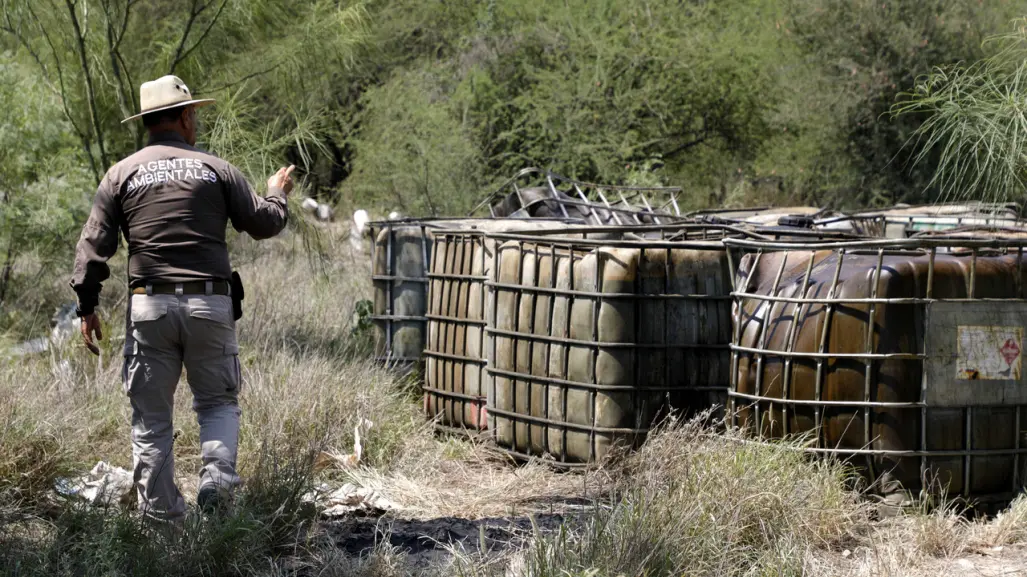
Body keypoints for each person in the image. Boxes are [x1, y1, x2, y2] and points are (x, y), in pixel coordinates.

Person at [70, 75, 294, 520]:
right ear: (187, 117)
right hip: (211, 304)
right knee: (217, 402)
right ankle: (216, 480)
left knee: (152, 421)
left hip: (149, 306)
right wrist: (277, 194)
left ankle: (164, 525)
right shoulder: (217, 168)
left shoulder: (121, 173)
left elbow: (93, 245)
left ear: (147, 122)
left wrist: (87, 305)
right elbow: (264, 223)